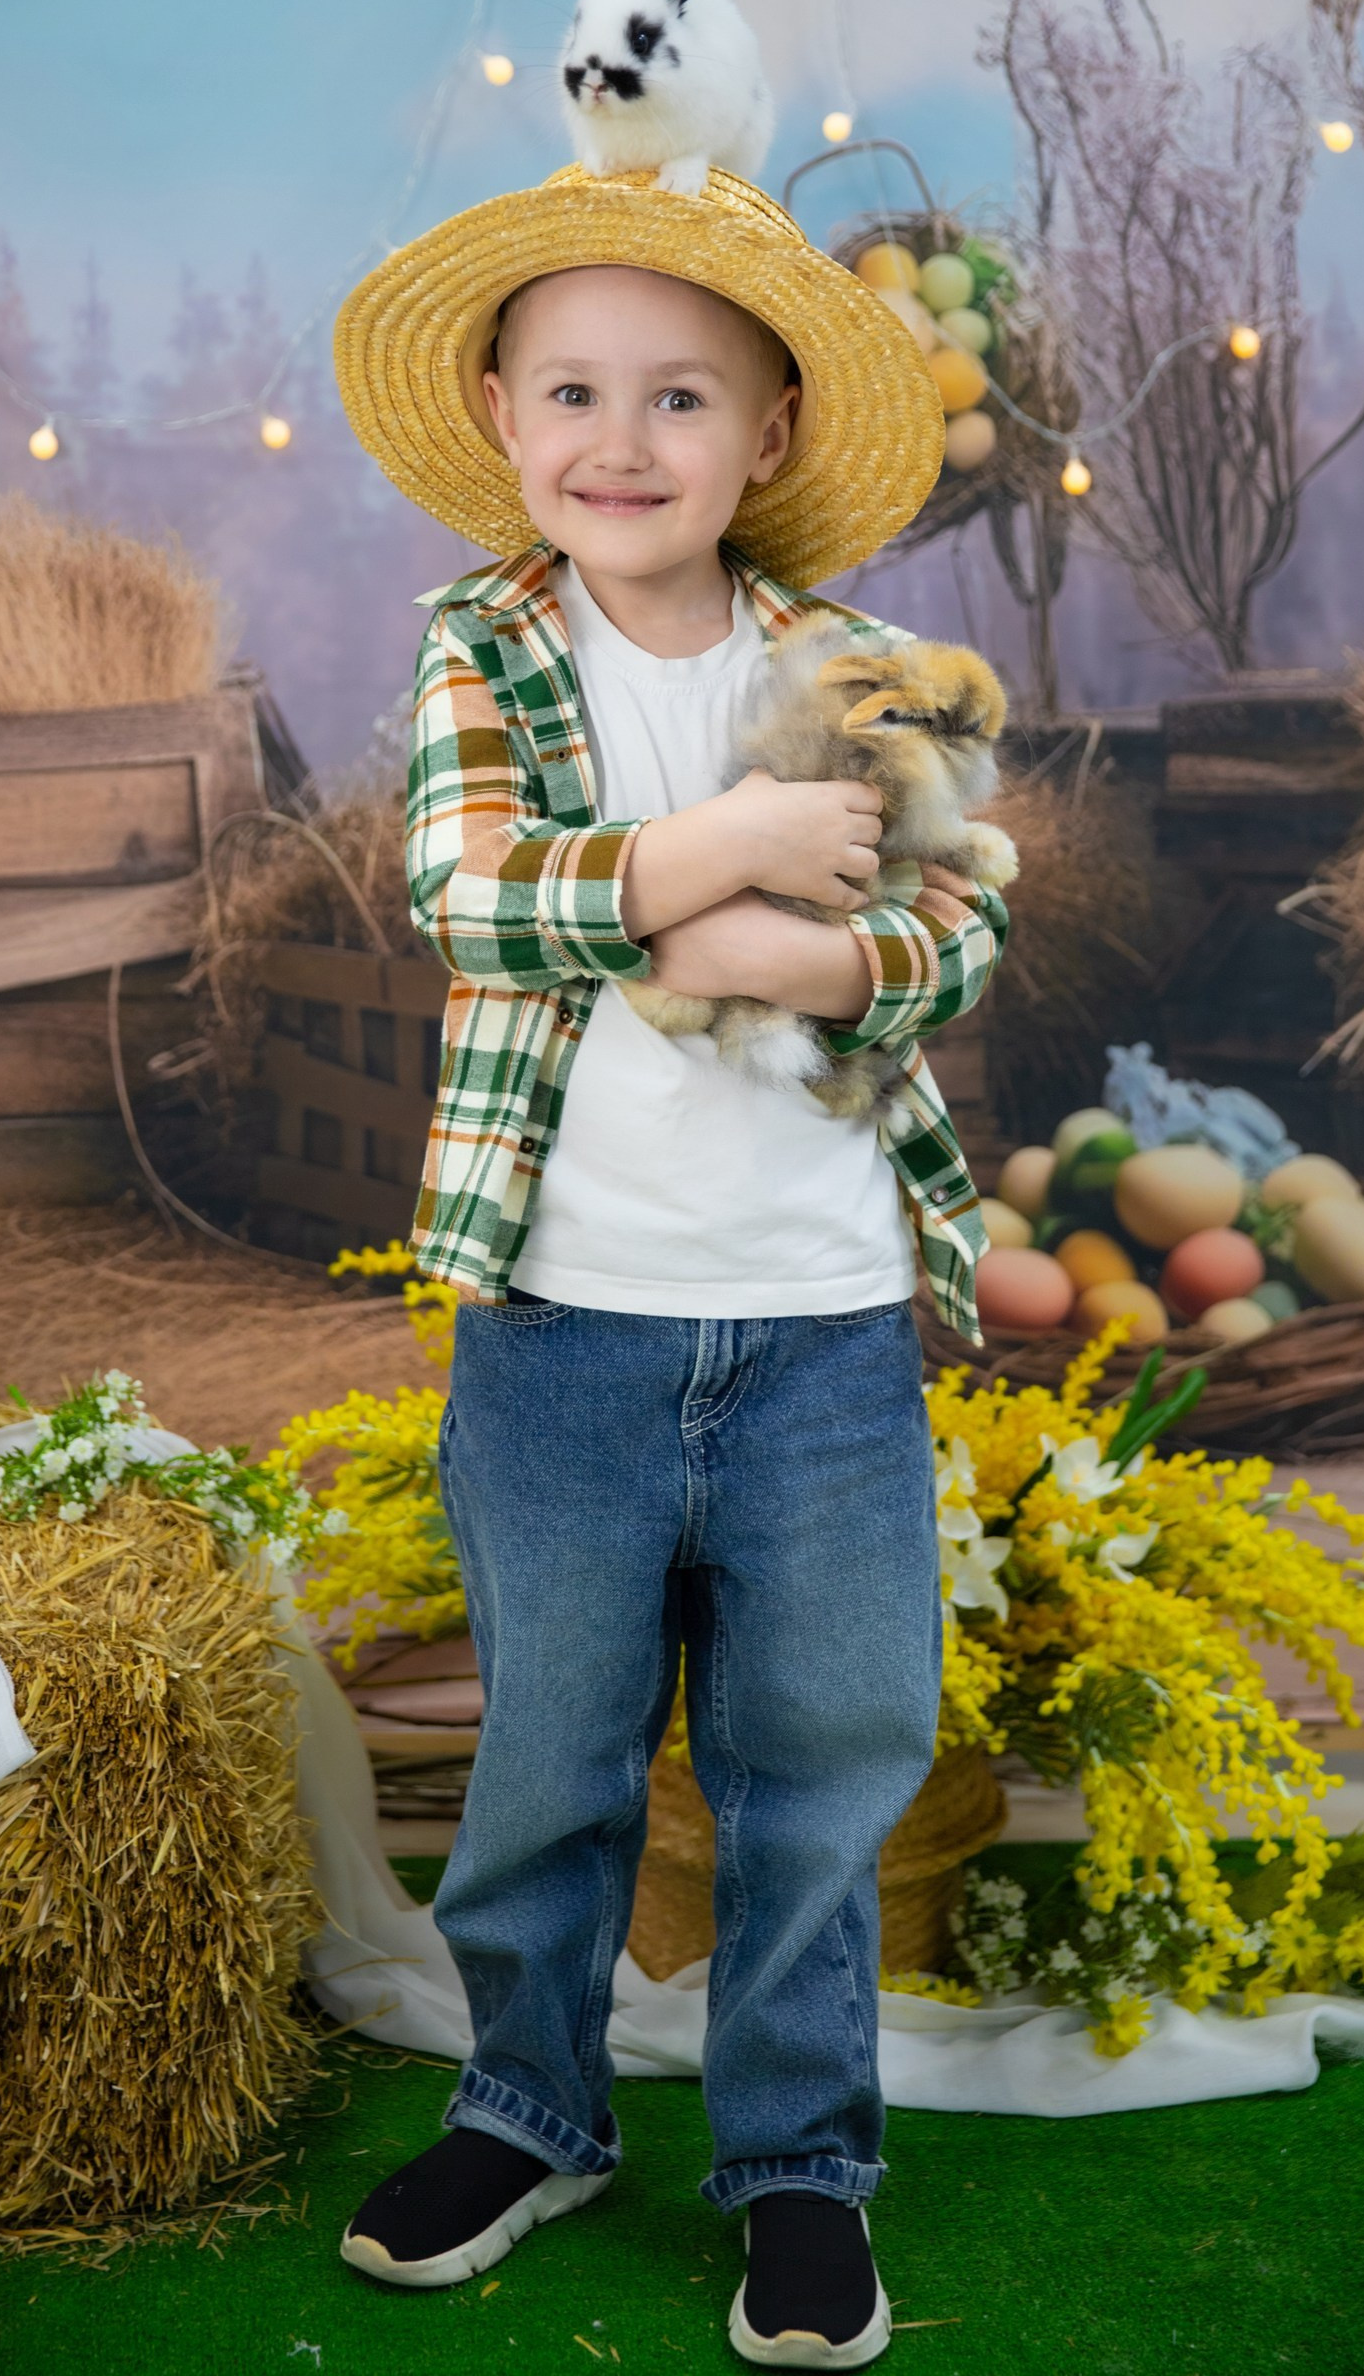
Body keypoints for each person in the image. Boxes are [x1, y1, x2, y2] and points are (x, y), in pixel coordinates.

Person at [327, 160, 1007, 2369]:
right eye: (574, 392)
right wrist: (727, 851)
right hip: (566, 1327)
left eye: (681, 396)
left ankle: (798, 2160)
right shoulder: (483, 645)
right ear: (503, 417)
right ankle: (529, 2106)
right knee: (556, 1749)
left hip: (821, 1332)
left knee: (820, 1758)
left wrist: (772, 949)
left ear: (769, 432)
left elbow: (956, 919)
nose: (621, 441)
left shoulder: (848, 667)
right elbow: (471, 888)